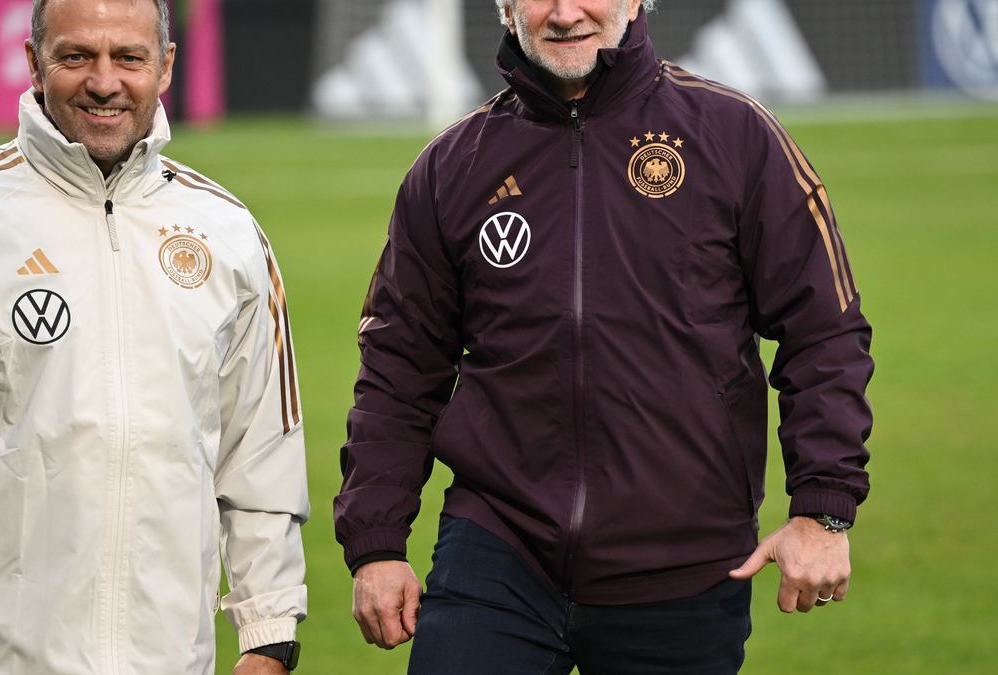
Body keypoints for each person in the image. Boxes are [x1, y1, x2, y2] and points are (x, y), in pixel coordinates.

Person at [335, 0, 873, 672]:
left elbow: (825, 330)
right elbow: (398, 368)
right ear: (503, 6)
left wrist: (822, 507)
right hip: (498, 549)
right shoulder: (449, 168)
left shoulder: (736, 137)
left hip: (683, 562)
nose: (564, 13)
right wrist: (378, 541)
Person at [0, 1, 307, 673]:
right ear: (32, 63)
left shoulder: (227, 235)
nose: (104, 82)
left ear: (166, 67)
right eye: (77, 56)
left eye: (129, 58)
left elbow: (262, 452)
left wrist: (268, 628)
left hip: (169, 657)